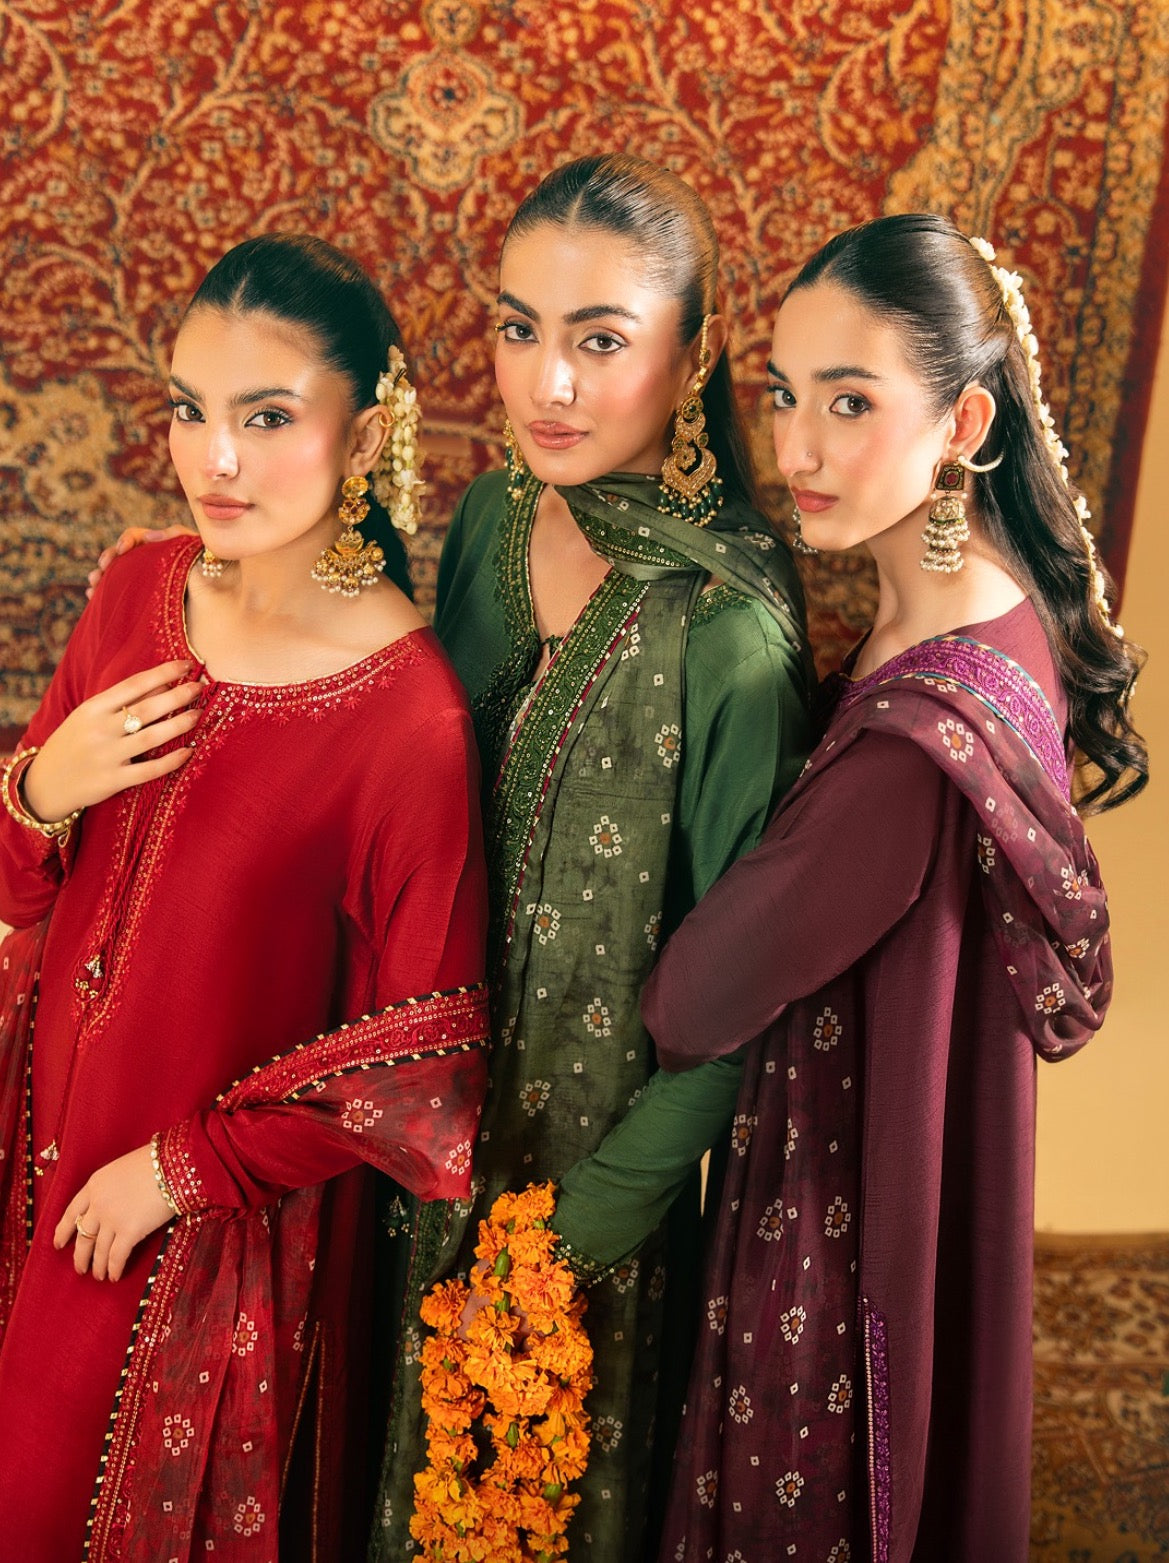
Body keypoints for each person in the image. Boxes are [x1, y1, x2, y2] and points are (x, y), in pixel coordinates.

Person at [641, 213, 1147, 1562]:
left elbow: (691, 1002)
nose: (797, 451)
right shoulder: (980, 603)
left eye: (850, 403)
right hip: (887, 1171)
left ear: (963, 422)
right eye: (784, 394)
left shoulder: (914, 746)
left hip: (847, 1226)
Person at [0, 234, 490, 1562]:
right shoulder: (135, 591)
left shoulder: (408, 722)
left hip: (188, 1247)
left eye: (267, 419)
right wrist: (44, 784)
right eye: (189, 410)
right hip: (28, 1162)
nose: (213, 460)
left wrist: (181, 1172)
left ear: (364, 434)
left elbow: (425, 1067)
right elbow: (20, 887)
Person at [370, 154, 813, 1562]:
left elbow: (748, 999)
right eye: (519, 329)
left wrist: (569, 1243)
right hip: (408, 1145)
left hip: (579, 1209)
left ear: (694, 355)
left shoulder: (730, 635)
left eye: (601, 341)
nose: (545, 384)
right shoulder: (494, 521)